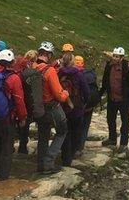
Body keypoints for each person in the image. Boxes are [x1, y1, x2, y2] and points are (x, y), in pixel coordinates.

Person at [0, 50, 27, 181]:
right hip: (7, 118)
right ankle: (3, 176)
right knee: (7, 147)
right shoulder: (14, 78)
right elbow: (19, 100)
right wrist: (23, 117)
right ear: (12, 63)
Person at [34, 41, 71, 174]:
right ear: (49, 55)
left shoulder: (32, 67)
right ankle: (48, 163)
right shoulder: (49, 71)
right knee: (62, 131)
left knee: (43, 135)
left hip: (38, 108)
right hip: (52, 107)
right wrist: (66, 93)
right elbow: (59, 95)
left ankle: (40, 163)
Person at [99, 47, 129, 154]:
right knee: (110, 119)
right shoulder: (109, 66)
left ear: (121, 58)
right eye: (114, 56)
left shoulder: (127, 68)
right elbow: (105, 81)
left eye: (117, 57)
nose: (115, 58)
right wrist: (99, 95)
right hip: (112, 98)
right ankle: (112, 139)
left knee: (125, 122)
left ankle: (123, 144)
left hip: (124, 100)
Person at [58, 53, 89, 166]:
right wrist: (84, 103)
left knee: (65, 132)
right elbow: (86, 91)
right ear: (72, 62)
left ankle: (65, 157)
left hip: (62, 108)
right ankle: (72, 154)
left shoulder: (58, 73)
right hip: (76, 108)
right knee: (76, 131)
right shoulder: (79, 74)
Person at [75, 55, 99, 152]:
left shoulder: (73, 74)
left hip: (78, 106)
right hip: (90, 105)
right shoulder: (89, 74)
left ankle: (73, 147)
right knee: (85, 126)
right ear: (83, 64)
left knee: (75, 127)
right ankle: (80, 147)